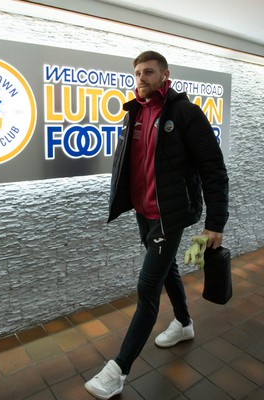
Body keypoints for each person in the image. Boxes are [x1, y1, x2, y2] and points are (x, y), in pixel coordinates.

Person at [84, 51, 229, 399]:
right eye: (136, 73)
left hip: (170, 215)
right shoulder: (133, 111)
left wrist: (215, 223)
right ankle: (183, 322)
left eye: (148, 72)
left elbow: (214, 169)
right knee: (166, 270)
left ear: (166, 74)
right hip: (143, 213)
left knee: (147, 288)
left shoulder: (185, 114)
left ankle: (118, 370)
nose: (141, 78)